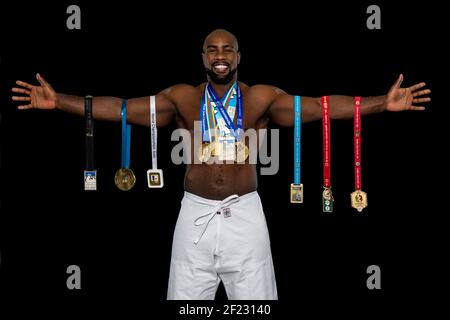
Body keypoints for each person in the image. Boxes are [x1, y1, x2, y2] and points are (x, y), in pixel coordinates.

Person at [11, 29, 431, 300]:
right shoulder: (182, 98)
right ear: (202, 57)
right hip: (193, 215)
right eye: (212, 48)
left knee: (256, 308)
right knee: (186, 307)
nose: (220, 54)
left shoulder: (262, 98)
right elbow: (120, 107)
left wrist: (379, 103)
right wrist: (59, 100)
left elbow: (319, 107)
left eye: (227, 47)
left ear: (239, 56)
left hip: (245, 215)